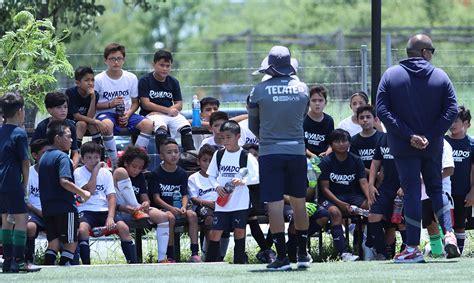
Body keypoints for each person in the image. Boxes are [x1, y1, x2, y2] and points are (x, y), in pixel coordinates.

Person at [376, 33, 460, 262]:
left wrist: (409, 135)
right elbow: (452, 109)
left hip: (403, 147)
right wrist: (431, 136)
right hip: (432, 146)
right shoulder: (441, 77)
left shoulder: (391, 75)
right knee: (436, 188)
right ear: (424, 52)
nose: (432, 56)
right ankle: (450, 234)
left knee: (412, 191)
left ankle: (412, 247)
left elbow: (382, 110)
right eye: (431, 51)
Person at [248, 46, 311, 270]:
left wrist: (267, 138)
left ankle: (282, 257)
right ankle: (303, 254)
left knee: (274, 204)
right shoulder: (303, 89)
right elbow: (302, 117)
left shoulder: (258, 90)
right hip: (296, 151)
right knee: (299, 202)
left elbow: (252, 125)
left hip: (269, 152)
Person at [74, 142, 138, 264]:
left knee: (123, 228)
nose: (93, 161)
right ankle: (86, 264)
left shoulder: (107, 173)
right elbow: (90, 190)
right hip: (86, 210)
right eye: (89, 158)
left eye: (96, 158)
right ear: (82, 159)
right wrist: (96, 171)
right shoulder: (78, 172)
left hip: (104, 210)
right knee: (82, 230)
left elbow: (111, 197)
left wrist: (110, 217)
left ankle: (133, 263)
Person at [205, 121, 259, 264]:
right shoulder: (219, 154)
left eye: (229, 137)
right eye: (222, 137)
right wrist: (217, 186)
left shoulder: (246, 156)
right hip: (222, 201)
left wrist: (244, 182)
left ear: (238, 137)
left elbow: (257, 177)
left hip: (240, 202)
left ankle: (239, 261)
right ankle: (210, 262)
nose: (225, 141)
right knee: (216, 232)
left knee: (239, 231)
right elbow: (211, 175)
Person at [39, 120, 91, 266]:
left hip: (48, 208)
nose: (72, 139)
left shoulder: (43, 157)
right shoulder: (62, 157)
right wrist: (83, 193)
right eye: (68, 136)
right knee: (71, 240)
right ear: (57, 138)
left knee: (54, 241)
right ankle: (63, 268)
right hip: (64, 207)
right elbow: (64, 181)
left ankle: (48, 268)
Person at [94, 43, 154, 167]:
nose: (116, 62)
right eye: (112, 59)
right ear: (106, 60)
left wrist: (128, 114)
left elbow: (135, 102)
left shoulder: (131, 78)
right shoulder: (99, 79)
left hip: (126, 113)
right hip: (106, 114)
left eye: (119, 59)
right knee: (107, 125)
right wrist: (110, 103)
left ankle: (134, 158)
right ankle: (115, 161)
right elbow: (94, 105)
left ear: (123, 60)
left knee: (148, 124)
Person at [0, 93, 40, 273]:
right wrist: (24, 187)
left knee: (5, 220)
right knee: (21, 219)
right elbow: (25, 162)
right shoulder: (20, 133)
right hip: (12, 182)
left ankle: (7, 261)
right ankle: (19, 262)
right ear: (20, 111)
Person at [319, 129, 372, 261]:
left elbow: (364, 183)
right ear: (331, 144)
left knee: (373, 208)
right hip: (331, 197)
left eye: (344, 141)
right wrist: (340, 203)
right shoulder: (326, 162)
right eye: (337, 141)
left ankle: (370, 246)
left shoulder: (356, 160)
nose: (341, 144)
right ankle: (344, 253)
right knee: (335, 213)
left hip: (352, 195)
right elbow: (324, 188)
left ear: (349, 143)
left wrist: (370, 198)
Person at [113, 145, 170, 263]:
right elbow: (110, 199)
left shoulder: (139, 177)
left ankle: (162, 258)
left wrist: (145, 203)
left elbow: (145, 198)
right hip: (120, 211)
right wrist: (128, 208)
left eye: (140, 168)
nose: (137, 170)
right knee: (121, 172)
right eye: (134, 166)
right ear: (126, 162)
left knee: (163, 217)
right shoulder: (118, 173)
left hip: (138, 211)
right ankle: (136, 207)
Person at [148, 138, 201, 262]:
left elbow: (185, 195)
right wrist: (171, 208)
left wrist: (183, 206)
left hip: (179, 207)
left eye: (176, 152)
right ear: (161, 155)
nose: (173, 155)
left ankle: (194, 252)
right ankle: (170, 255)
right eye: (169, 152)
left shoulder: (182, 173)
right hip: (164, 209)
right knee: (170, 217)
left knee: (192, 215)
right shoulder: (155, 174)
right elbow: (156, 198)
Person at [138, 50, 194, 152]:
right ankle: (164, 158)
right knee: (161, 129)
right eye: (161, 65)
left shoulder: (173, 81)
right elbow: (146, 104)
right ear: (154, 64)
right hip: (151, 115)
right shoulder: (145, 80)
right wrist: (167, 110)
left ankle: (190, 157)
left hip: (169, 113)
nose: (165, 69)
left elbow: (179, 104)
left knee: (186, 127)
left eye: (167, 66)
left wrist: (166, 111)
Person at [366, 131, 406, 260]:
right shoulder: (383, 138)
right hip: (386, 186)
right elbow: (375, 162)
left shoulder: (406, 137)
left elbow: (415, 164)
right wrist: (371, 185)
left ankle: (408, 250)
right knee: (373, 216)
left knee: (401, 222)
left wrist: (405, 185)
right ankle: (381, 253)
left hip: (404, 187)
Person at [444, 106, 474, 255]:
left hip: (463, 192)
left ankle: (458, 253)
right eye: (450, 120)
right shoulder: (442, 141)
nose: (452, 124)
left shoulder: (471, 144)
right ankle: (442, 250)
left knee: (460, 225)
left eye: (456, 120)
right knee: (445, 224)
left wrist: (472, 192)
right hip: (445, 192)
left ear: (466, 123)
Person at [421, 139, 454, 257]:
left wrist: (427, 179)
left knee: (443, 220)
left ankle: (450, 242)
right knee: (430, 223)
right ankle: (437, 253)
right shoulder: (416, 143)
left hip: (440, 190)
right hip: (422, 193)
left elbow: (449, 169)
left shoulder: (443, 144)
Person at [31, 92, 80, 168]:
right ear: (49, 110)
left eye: (65, 107)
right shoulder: (42, 127)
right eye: (59, 107)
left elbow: (75, 152)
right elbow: (34, 150)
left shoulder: (70, 126)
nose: (63, 110)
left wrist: (73, 166)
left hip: (64, 162)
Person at [187, 144, 218, 260]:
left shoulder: (218, 177)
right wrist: (207, 203)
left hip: (219, 205)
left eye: (211, 161)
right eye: (205, 160)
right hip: (202, 206)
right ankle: (211, 254)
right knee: (209, 219)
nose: (208, 164)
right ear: (198, 162)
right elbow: (194, 199)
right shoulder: (194, 178)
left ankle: (220, 253)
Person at [25, 139, 49, 265]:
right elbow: (26, 202)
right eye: (45, 153)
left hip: (52, 212)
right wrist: (39, 213)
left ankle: (61, 259)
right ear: (35, 155)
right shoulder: (29, 173)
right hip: (34, 213)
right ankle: (28, 258)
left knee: (63, 228)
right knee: (30, 227)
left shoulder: (55, 171)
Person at [66, 66, 103, 148]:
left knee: (91, 124)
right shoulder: (70, 93)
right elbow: (76, 116)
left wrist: (93, 98)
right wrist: (96, 121)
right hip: (71, 121)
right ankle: (75, 151)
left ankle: (99, 152)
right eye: (87, 80)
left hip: (86, 121)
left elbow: (90, 117)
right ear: (78, 83)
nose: (90, 83)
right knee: (83, 124)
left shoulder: (95, 94)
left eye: (92, 80)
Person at [349, 105, 384, 174]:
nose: (365, 120)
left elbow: (386, 161)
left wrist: (380, 176)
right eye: (361, 118)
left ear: (375, 119)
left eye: (368, 117)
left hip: (382, 178)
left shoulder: (382, 138)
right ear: (358, 121)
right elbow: (356, 164)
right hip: (362, 178)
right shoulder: (353, 140)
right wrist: (374, 174)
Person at [304, 85, 334, 158]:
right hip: (306, 157)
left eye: (320, 100)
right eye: (314, 100)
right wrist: (312, 155)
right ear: (308, 102)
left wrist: (327, 152)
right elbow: (299, 144)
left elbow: (331, 144)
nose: (317, 103)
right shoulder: (302, 119)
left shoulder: (329, 120)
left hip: (324, 157)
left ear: (325, 102)